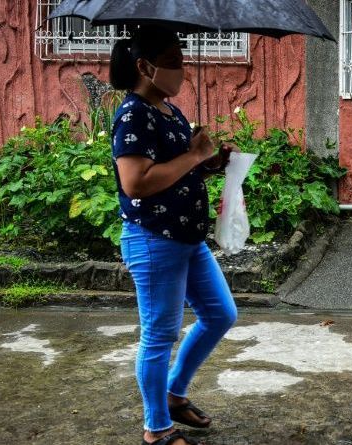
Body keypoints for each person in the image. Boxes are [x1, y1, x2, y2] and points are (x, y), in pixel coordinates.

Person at [109, 25, 238, 445]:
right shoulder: (133, 114)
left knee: (221, 314)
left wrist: (212, 161)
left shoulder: (169, 111)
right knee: (160, 335)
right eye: (174, 63)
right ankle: (156, 427)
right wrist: (192, 155)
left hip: (187, 238)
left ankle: (174, 392)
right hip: (153, 238)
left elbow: (183, 168)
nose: (181, 71)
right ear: (145, 67)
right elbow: (137, 183)